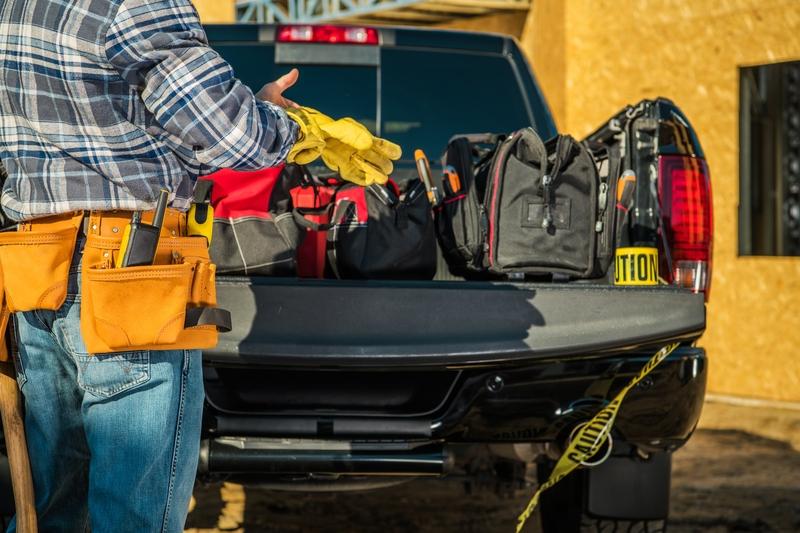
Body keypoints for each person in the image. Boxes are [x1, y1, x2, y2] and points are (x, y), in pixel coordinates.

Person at [0, 1, 302, 531]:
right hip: (130, 277)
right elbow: (231, 132)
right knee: (134, 514)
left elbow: (135, 139)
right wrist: (285, 122)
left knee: (56, 507)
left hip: (32, 270)